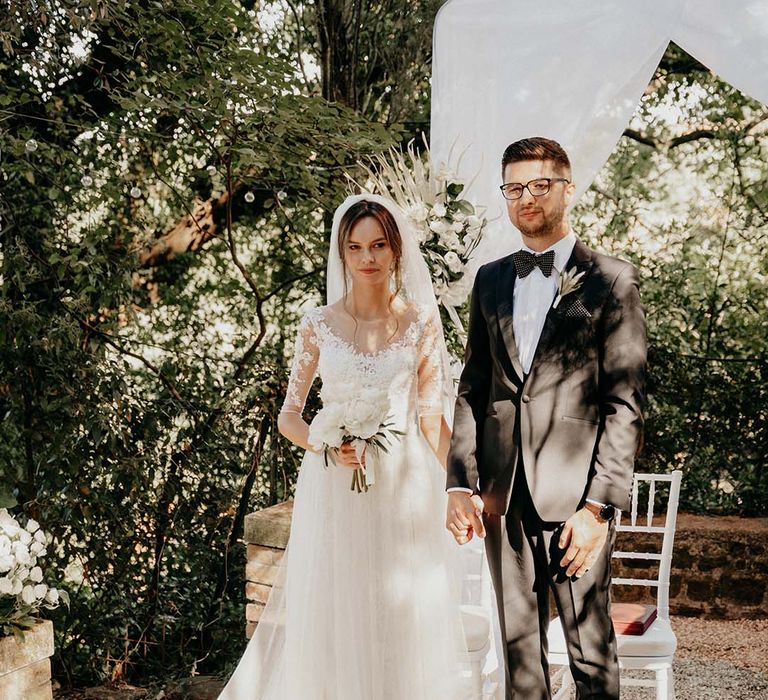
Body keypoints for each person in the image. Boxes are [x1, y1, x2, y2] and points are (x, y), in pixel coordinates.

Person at [219, 194, 470, 699]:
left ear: (396, 250)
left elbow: (430, 419)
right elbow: (289, 415)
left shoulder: (421, 321)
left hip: (405, 488)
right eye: (355, 248)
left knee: (403, 611)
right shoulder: (317, 325)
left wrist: (464, 486)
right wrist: (327, 446)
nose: (368, 258)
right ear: (342, 254)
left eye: (378, 245)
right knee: (340, 607)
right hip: (335, 486)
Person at [445, 137, 647, 699]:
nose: (526, 199)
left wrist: (599, 507)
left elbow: (623, 403)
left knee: (590, 659)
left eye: (539, 185)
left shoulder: (611, 281)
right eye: (514, 188)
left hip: (577, 503)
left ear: (567, 188)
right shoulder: (488, 281)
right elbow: (474, 386)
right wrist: (460, 483)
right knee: (521, 662)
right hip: (502, 498)